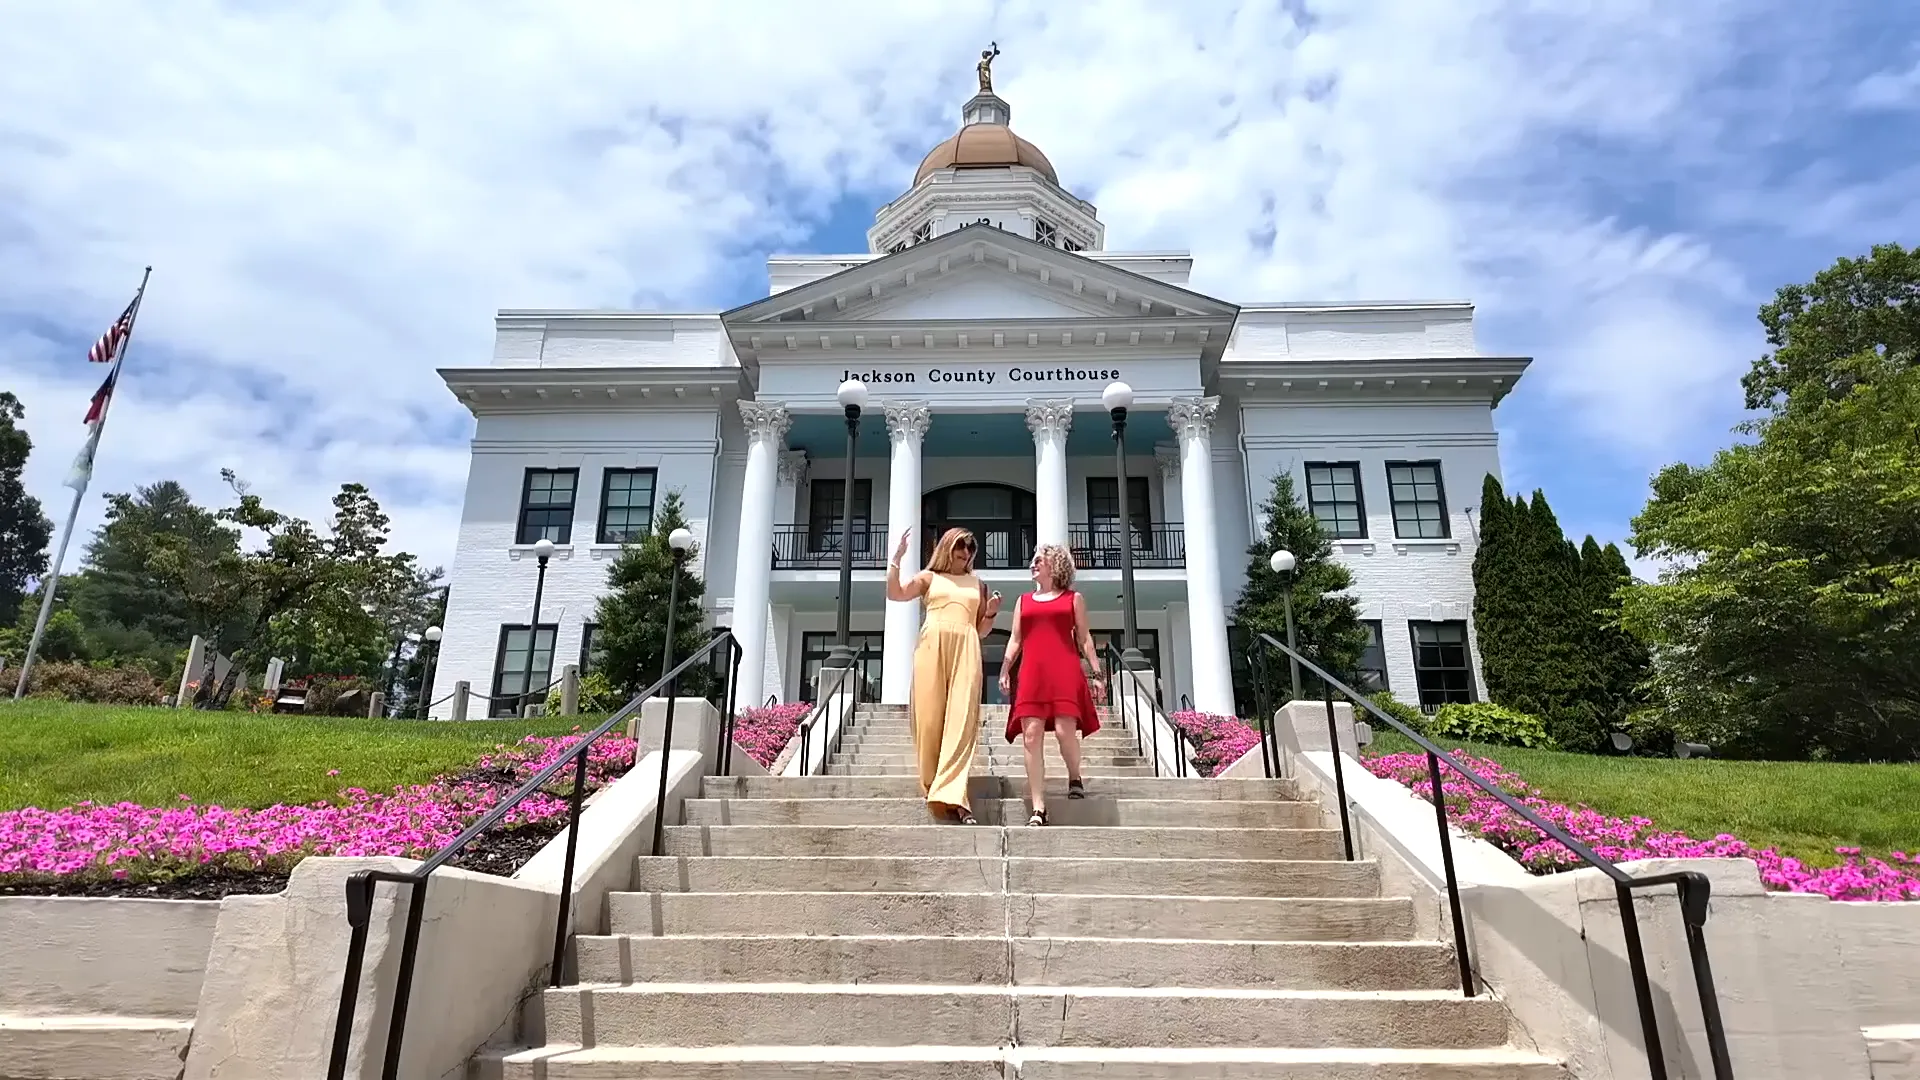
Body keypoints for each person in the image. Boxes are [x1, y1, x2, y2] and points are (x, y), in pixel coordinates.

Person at [887, 526, 1002, 824]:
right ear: (947, 547)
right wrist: (896, 559)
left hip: (966, 647)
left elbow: (980, 630)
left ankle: (955, 795)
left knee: (961, 721)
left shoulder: (978, 585)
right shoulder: (929, 578)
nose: (965, 553)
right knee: (928, 720)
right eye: (960, 547)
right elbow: (896, 593)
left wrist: (989, 612)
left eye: (970, 549)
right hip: (931, 646)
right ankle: (931, 784)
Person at [997, 543, 1104, 826]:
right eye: (1032, 561)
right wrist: (1006, 668)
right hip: (1032, 673)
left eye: (1038, 561)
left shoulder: (1073, 599)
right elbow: (1016, 639)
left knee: (1063, 731)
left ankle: (1074, 775)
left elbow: (1084, 639)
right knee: (1031, 735)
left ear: (1054, 566)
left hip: (1065, 670)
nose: (1032, 565)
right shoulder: (1023, 601)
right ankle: (1038, 807)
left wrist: (1096, 673)